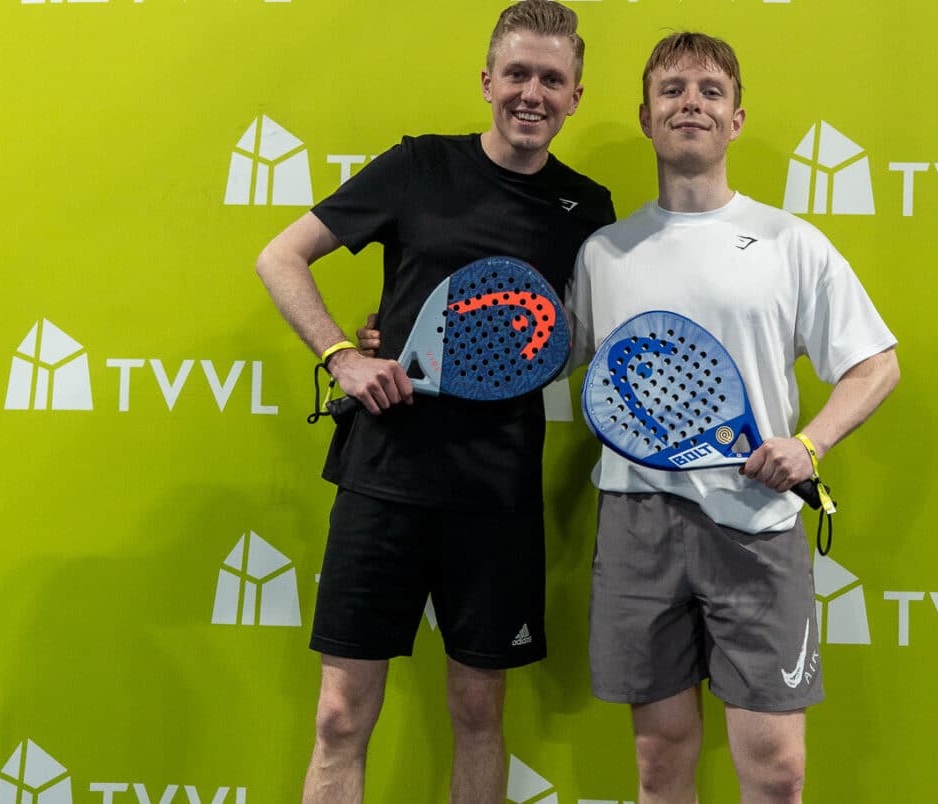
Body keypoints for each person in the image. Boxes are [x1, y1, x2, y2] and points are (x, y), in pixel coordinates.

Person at [254, 1, 614, 801]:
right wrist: (342, 355)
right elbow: (281, 257)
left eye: (551, 79)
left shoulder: (587, 207)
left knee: (479, 712)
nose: (531, 93)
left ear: (575, 95)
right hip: (384, 476)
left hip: (495, 491)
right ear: (487, 80)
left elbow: (576, 338)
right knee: (339, 716)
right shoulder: (418, 165)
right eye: (516, 74)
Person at [565, 33, 899, 803]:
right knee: (659, 765)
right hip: (637, 522)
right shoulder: (604, 253)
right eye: (673, 90)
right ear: (645, 116)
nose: (692, 103)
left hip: (756, 524)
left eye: (710, 91)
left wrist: (810, 444)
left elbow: (876, 364)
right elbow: (549, 354)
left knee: (778, 772)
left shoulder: (791, 243)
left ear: (736, 119)